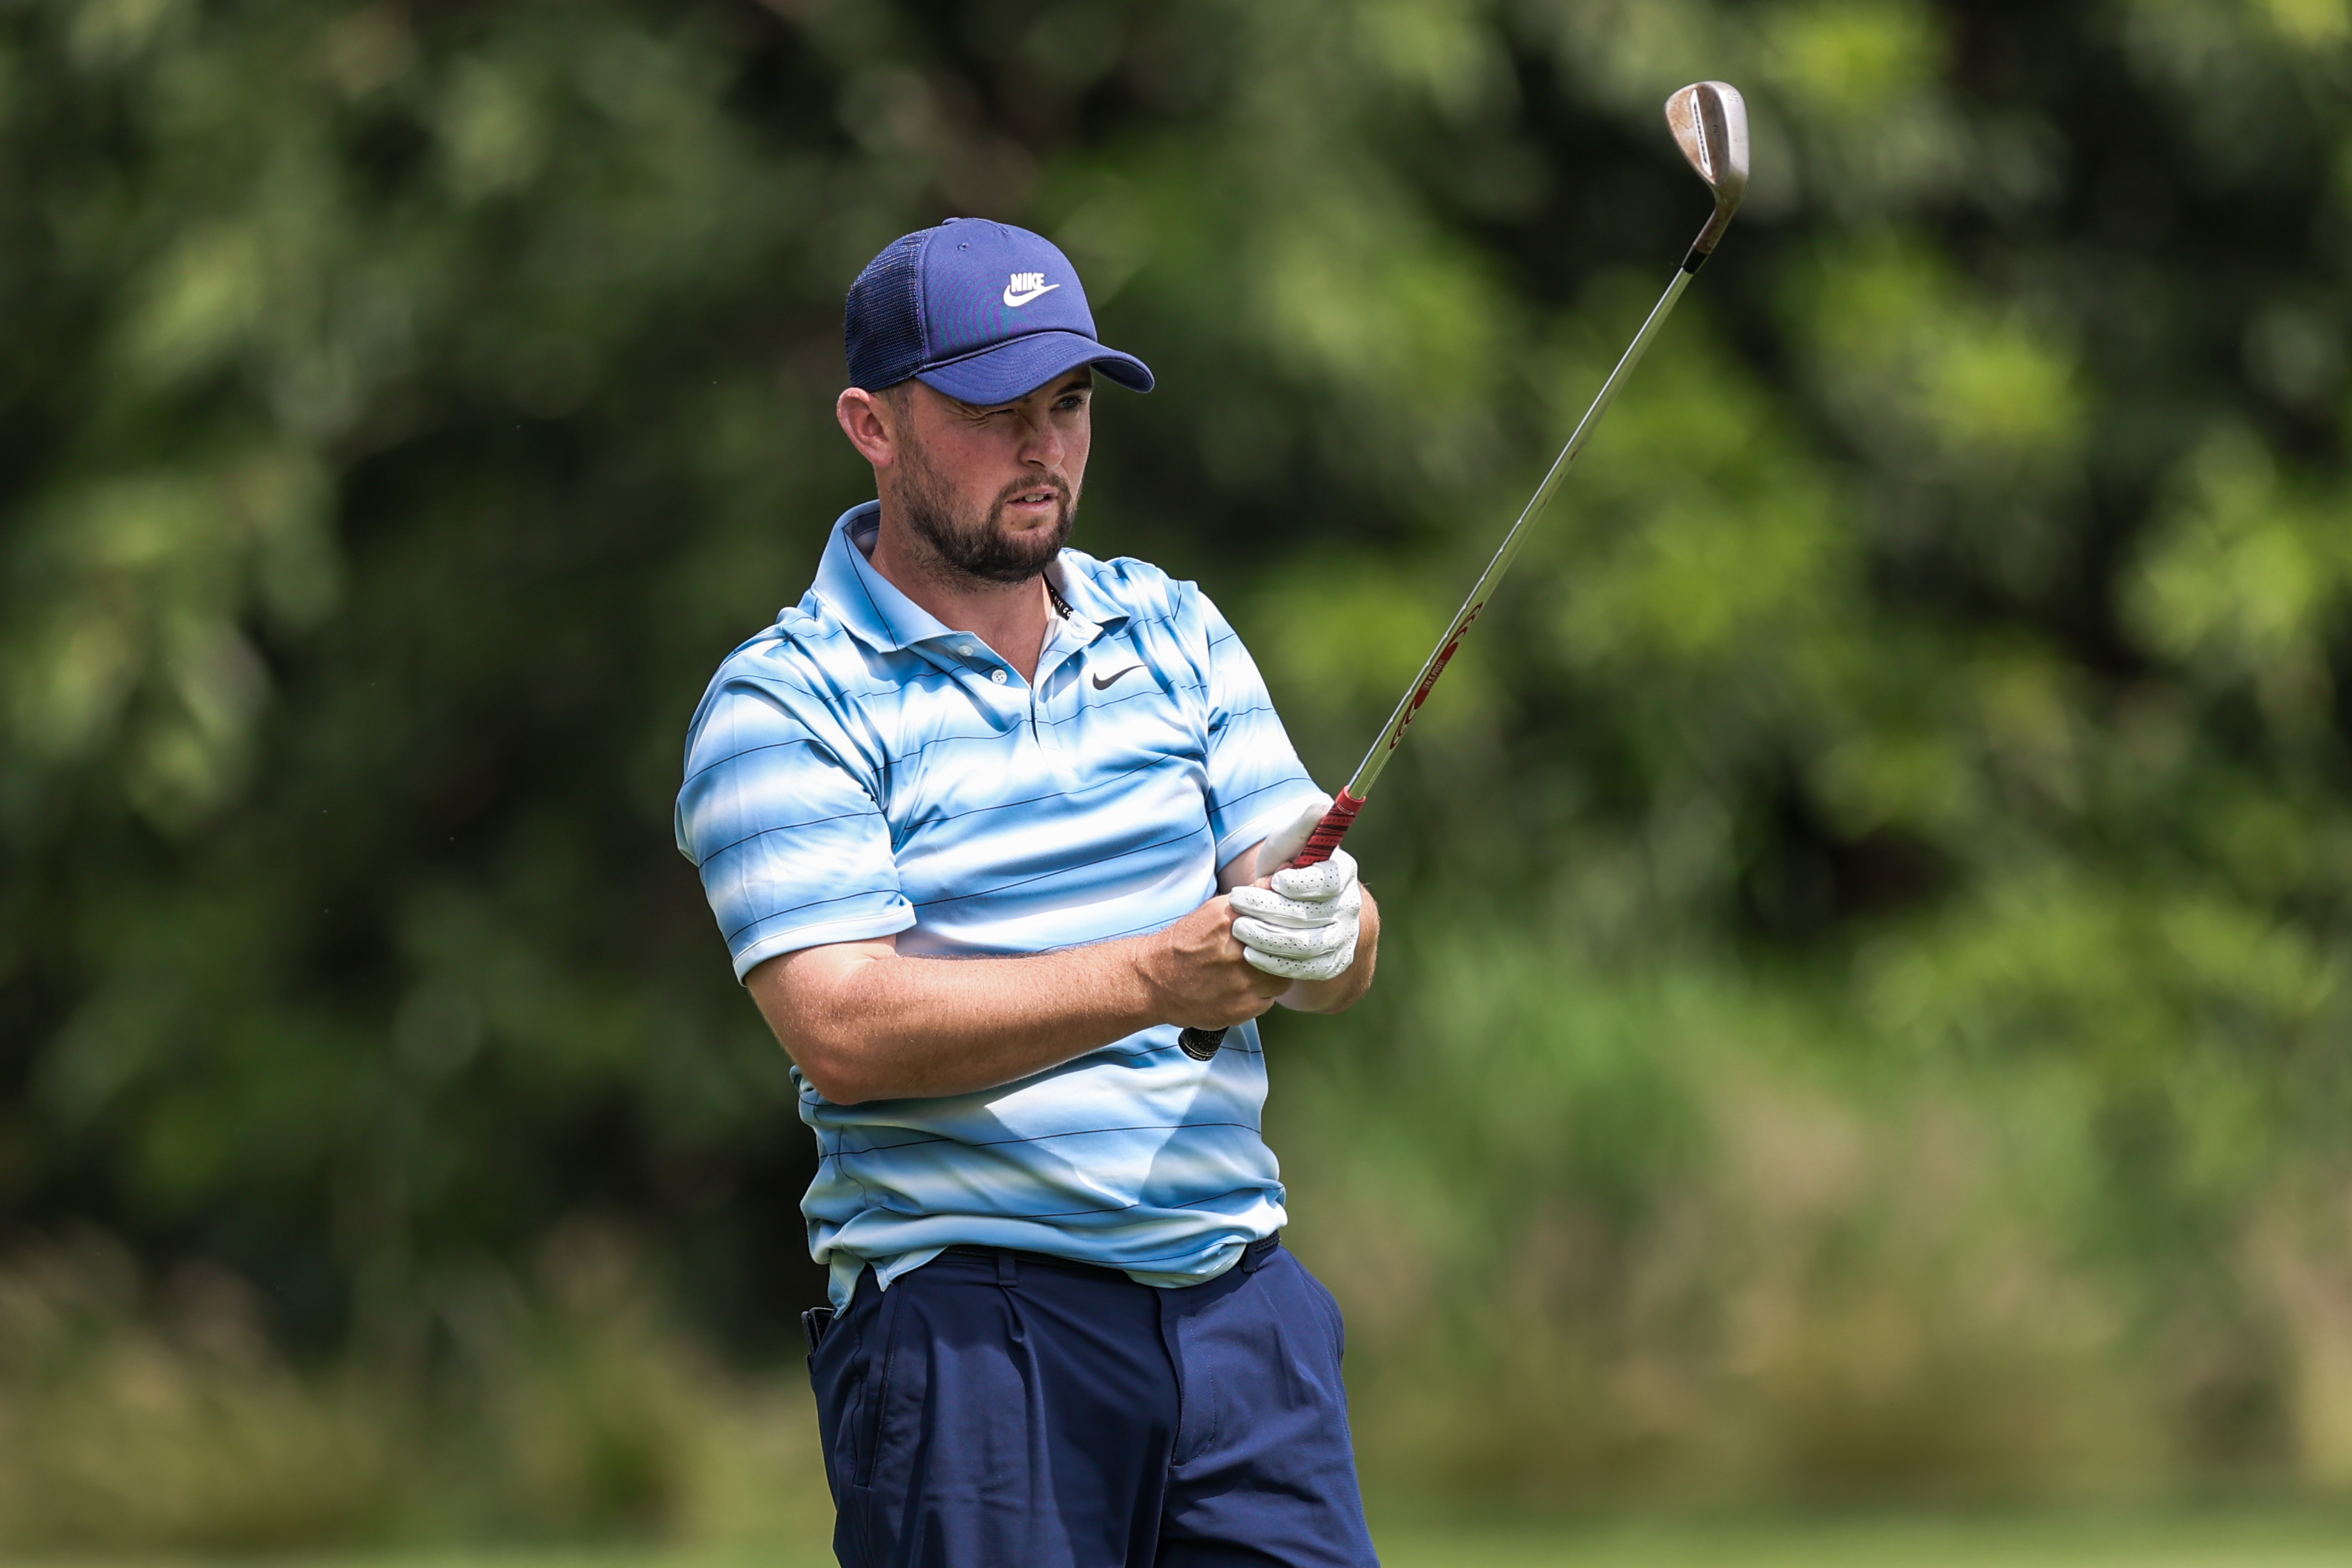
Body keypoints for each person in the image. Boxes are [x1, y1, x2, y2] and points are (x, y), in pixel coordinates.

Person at [675, 217, 1383, 1568]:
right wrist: (1152, 979)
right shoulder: (785, 699)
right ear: (871, 426)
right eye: (995, 409)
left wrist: (1328, 932)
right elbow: (846, 1028)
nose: (1043, 446)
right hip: (971, 1337)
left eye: (1066, 405)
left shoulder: (1173, 626)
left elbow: (1327, 939)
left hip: (1242, 1316)